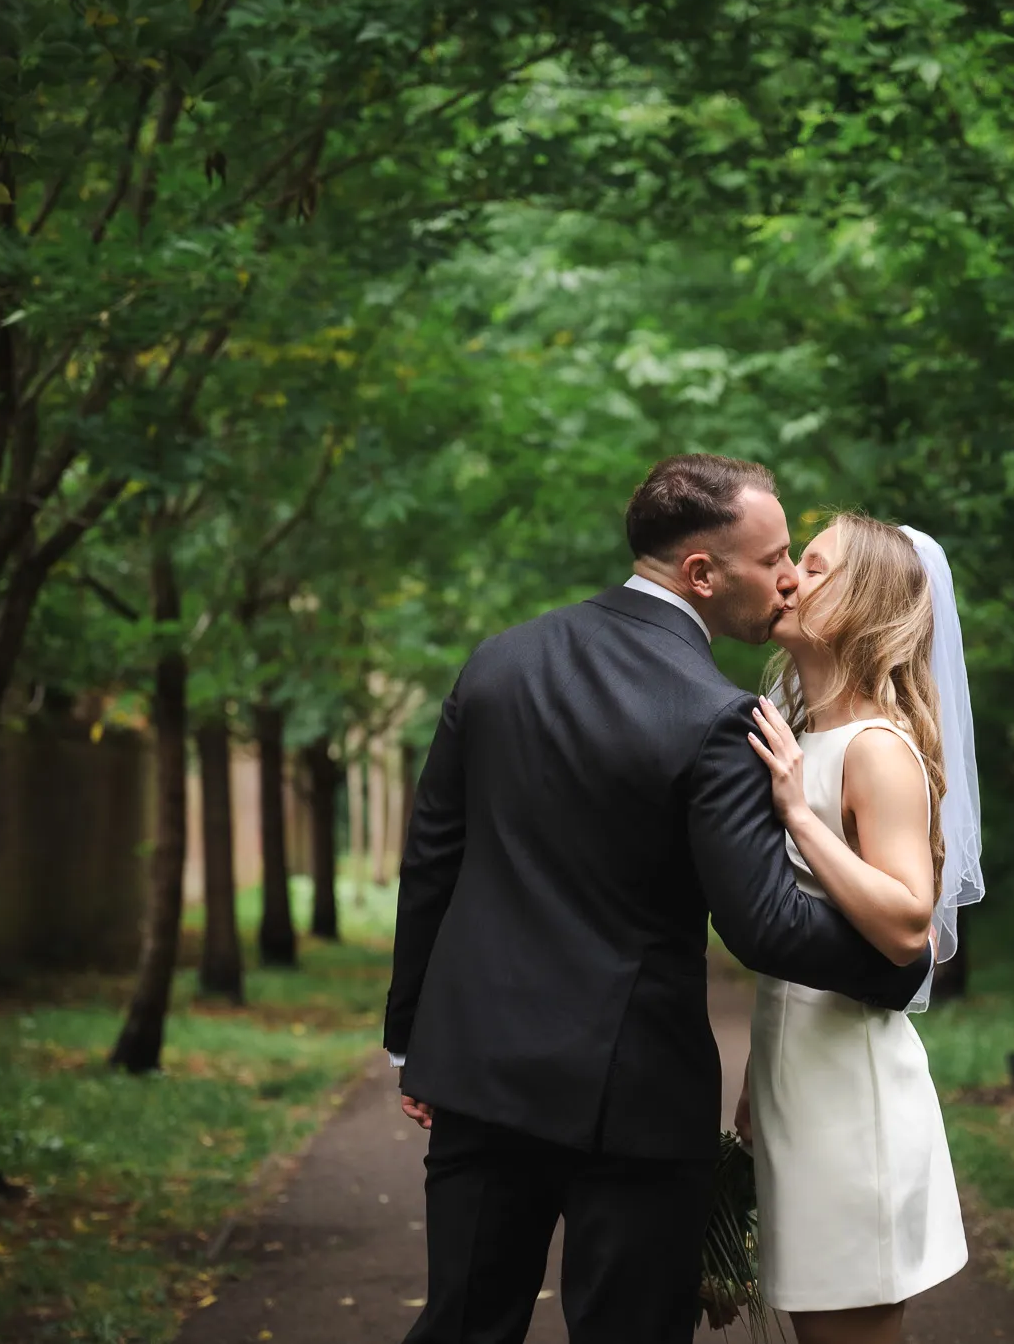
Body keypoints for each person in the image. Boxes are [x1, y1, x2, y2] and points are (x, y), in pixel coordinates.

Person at [382, 455, 933, 1344]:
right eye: (773, 558)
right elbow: (764, 924)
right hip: (630, 1097)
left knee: (462, 1326)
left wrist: (414, 1038)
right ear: (703, 573)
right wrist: (900, 964)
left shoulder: (498, 662)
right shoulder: (717, 714)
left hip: (477, 1073)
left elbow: (433, 859)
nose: (787, 578)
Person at [736, 511, 984, 1344]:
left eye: (813, 567)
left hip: (853, 1099)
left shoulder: (876, 746)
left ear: (863, 603)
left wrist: (798, 817)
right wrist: (756, 1079)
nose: (788, 578)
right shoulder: (806, 733)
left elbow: (909, 922)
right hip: (798, 1079)